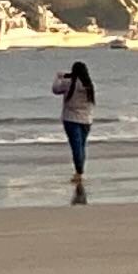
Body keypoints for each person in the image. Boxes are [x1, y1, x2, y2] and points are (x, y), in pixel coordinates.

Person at [52, 56, 97, 195]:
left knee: (76, 146)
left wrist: (58, 77)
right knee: (81, 146)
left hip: (71, 119)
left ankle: (79, 171)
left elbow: (55, 89)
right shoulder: (89, 85)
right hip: (86, 119)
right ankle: (80, 170)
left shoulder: (69, 83)